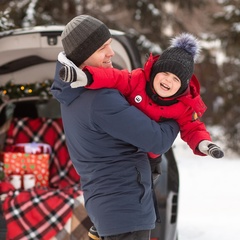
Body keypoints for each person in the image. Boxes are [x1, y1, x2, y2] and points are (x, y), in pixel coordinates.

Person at [50, 15, 180, 240]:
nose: (111, 53)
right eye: (103, 48)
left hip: (109, 207)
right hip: (125, 210)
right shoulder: (99, 99)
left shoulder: (73, 94)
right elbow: (157, 140)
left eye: (109, 44)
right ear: (83, 55)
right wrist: (179, 111)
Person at [57, 33, 224, 159]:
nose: (168, 80)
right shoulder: (137, 80)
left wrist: (205, 144)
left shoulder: (183, 106)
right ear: (155, 71)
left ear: (183, 86)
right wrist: (87, 76)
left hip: (149, 157)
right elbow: (114, 77)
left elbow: (193, 128)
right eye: (165, 73)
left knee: (148, 182)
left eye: (176, 79)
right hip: (122, 144)